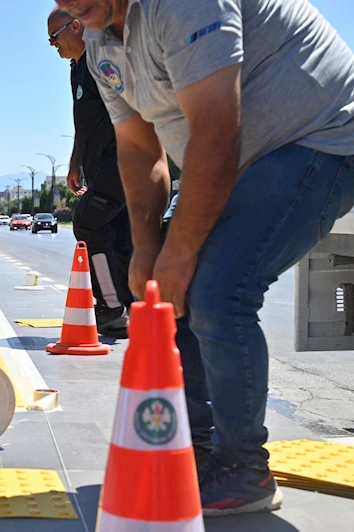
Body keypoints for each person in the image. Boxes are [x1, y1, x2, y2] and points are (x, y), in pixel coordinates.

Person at [57, 0, 354, 516]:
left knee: (218, 289)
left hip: (316, 140)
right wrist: (148, 247)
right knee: (172, 291)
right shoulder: (102, 38)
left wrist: (180, 250)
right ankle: (196, 451)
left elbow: (218, 134)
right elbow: (136, 145)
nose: (70, 6)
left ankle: (244, 469)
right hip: (234, 159)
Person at [47, 8, 134, 338]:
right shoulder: (77, 69)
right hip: (99, 167)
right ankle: (128, 307)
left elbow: (131, 110)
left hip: (123, 161)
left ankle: (110, 306)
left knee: (86, 219)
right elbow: (83, 121)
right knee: (119, 236)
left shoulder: (104, 58)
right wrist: (74, 162)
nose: (52, 45)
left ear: (75, 26)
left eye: (55, 37)